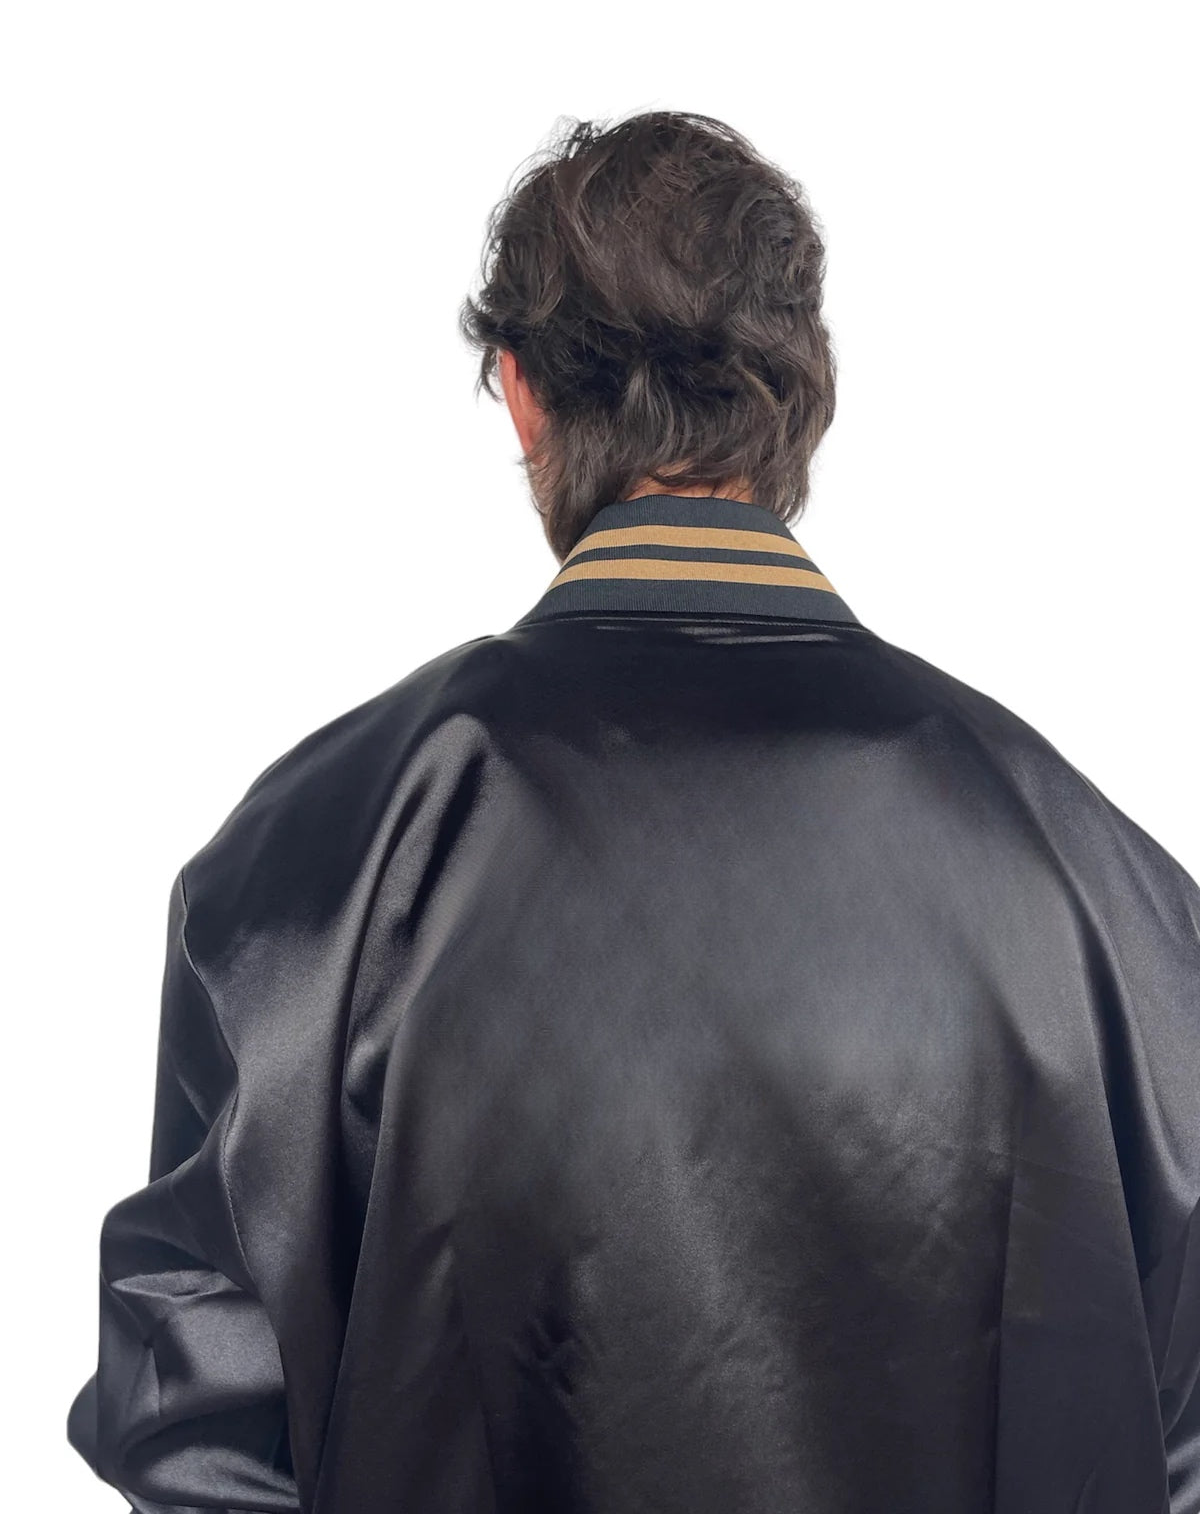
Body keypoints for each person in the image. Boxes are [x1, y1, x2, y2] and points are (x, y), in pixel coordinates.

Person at [66, 109, 1200, 1514]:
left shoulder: (312, 869)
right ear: (803, 401)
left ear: (521, 393)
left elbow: (197, 1421)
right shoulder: (1098, 888)